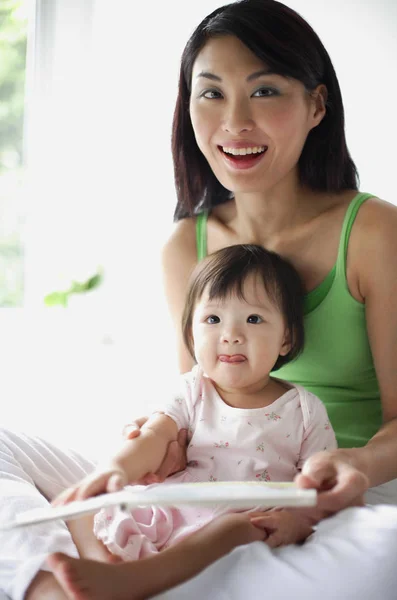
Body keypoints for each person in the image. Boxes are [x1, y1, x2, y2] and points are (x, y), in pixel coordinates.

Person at [1, 0, 397, 598]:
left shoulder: (373, 233)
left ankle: (151, 576)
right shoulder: (187, 244)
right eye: (210, 93)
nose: (233, 121)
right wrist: (154, 445)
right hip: (206, 485)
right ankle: (51, 588)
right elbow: (199, 400)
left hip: (333, 491)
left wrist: (358, 466)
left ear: (317, 105)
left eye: (264, 92)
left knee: (385, 555)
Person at [46, 244, 336, 598]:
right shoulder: (192, 389)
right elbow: (153, 436)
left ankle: (137, 580)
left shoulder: (304, 409)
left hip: (247, 521)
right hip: (178, 504)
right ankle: (104, 569)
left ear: (286, 338)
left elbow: (321, 489)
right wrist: (115, 470)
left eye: (253, 319)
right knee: (86, 508)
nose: (230, 334)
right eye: (213, 319)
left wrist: (298, 522)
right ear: (191, 334)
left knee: (234, 529)